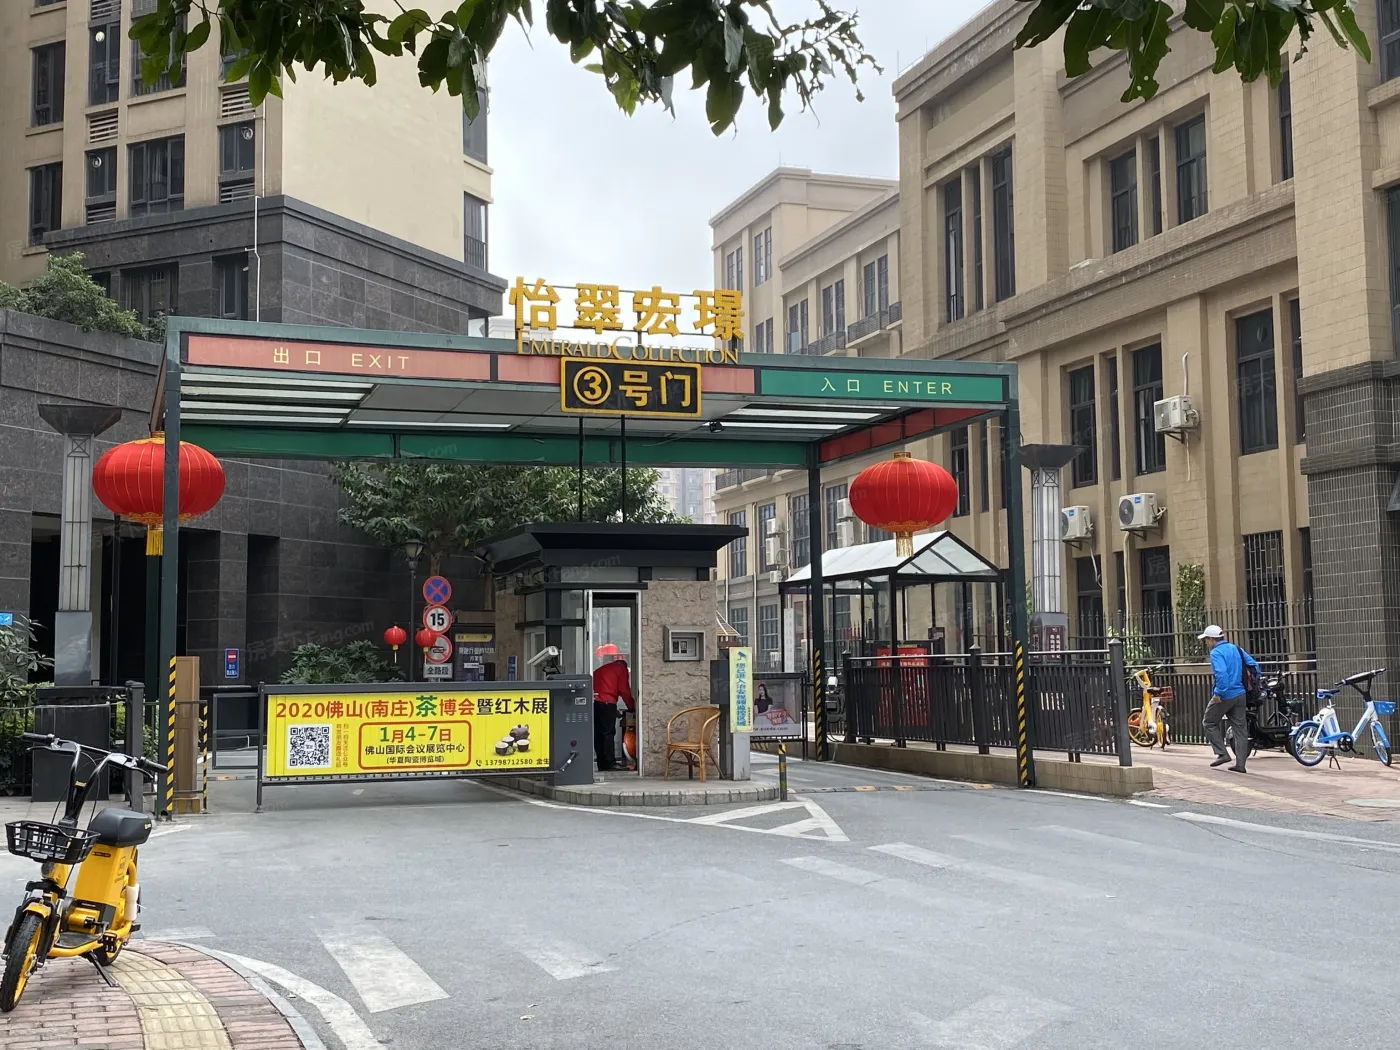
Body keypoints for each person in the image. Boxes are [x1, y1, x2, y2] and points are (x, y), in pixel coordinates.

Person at [1199, 624, 1258, 773]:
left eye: (1205, 640)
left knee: (1209, 722)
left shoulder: (1216, 652)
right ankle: (1240, 765)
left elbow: (1221, 674)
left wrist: (1219, 693)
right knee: (1240, 730)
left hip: (1225, 695)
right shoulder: (1236, 649)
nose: (1205, 643)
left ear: (1212, 639)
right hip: (1241, 694)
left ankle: (1222, 753)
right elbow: (1254, 666)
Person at [591, 654, 633, 772]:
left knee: (599, 734)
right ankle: (611, 763)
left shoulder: (601, 669)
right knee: (608, 733)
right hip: (608, 702)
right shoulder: (621, 669)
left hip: (595, 702)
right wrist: (631, 707)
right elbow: (624, 690)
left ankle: (602, 763)